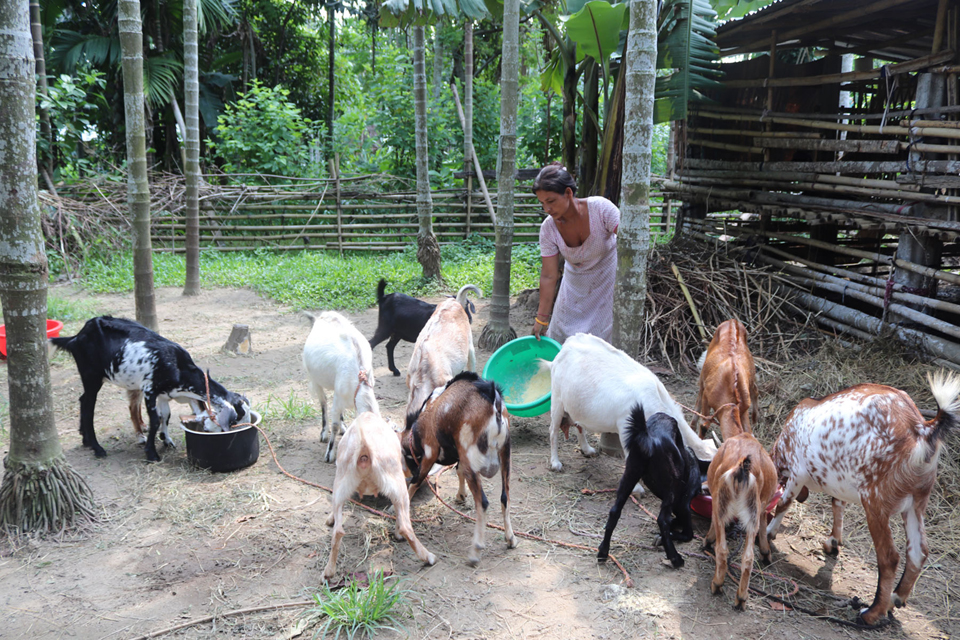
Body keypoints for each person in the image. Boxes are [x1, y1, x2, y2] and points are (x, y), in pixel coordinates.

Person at [532, 163, 620, 344]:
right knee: (562, 342)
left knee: (599, 347)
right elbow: (549, 275)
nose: (547, 209)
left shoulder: (602, 209)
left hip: (607, 285)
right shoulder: (548, 228)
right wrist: (541, 318)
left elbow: (629, 241)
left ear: (569, 193)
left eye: (551, 201)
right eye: (542, 203)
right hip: (573, 289)